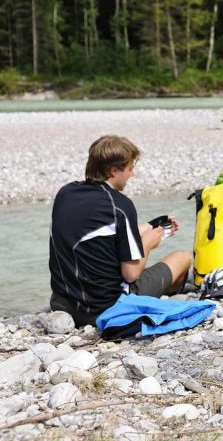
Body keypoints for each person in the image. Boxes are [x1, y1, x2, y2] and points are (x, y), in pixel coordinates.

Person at [49, 135, 192, 328]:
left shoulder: (65, 194)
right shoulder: (120, 205)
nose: (132, 174)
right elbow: (131, 274)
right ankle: (169, 292)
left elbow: (98, 237)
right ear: (113, 171)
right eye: (130, 168)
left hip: (63, 304)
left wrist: (148, 227)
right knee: (181, 257)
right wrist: (148, 242)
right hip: (106, 307)